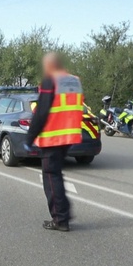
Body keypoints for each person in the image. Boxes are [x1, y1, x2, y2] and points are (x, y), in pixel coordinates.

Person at [25, 52, 84, 232]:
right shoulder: (74, 81)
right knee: (56, 174)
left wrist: (30, 137)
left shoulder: (50, 81)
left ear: (50, 65)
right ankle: (63, 211)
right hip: (70, 135)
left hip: (53, 136)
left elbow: (42, 112)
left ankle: (60, 218)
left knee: (51, 176)